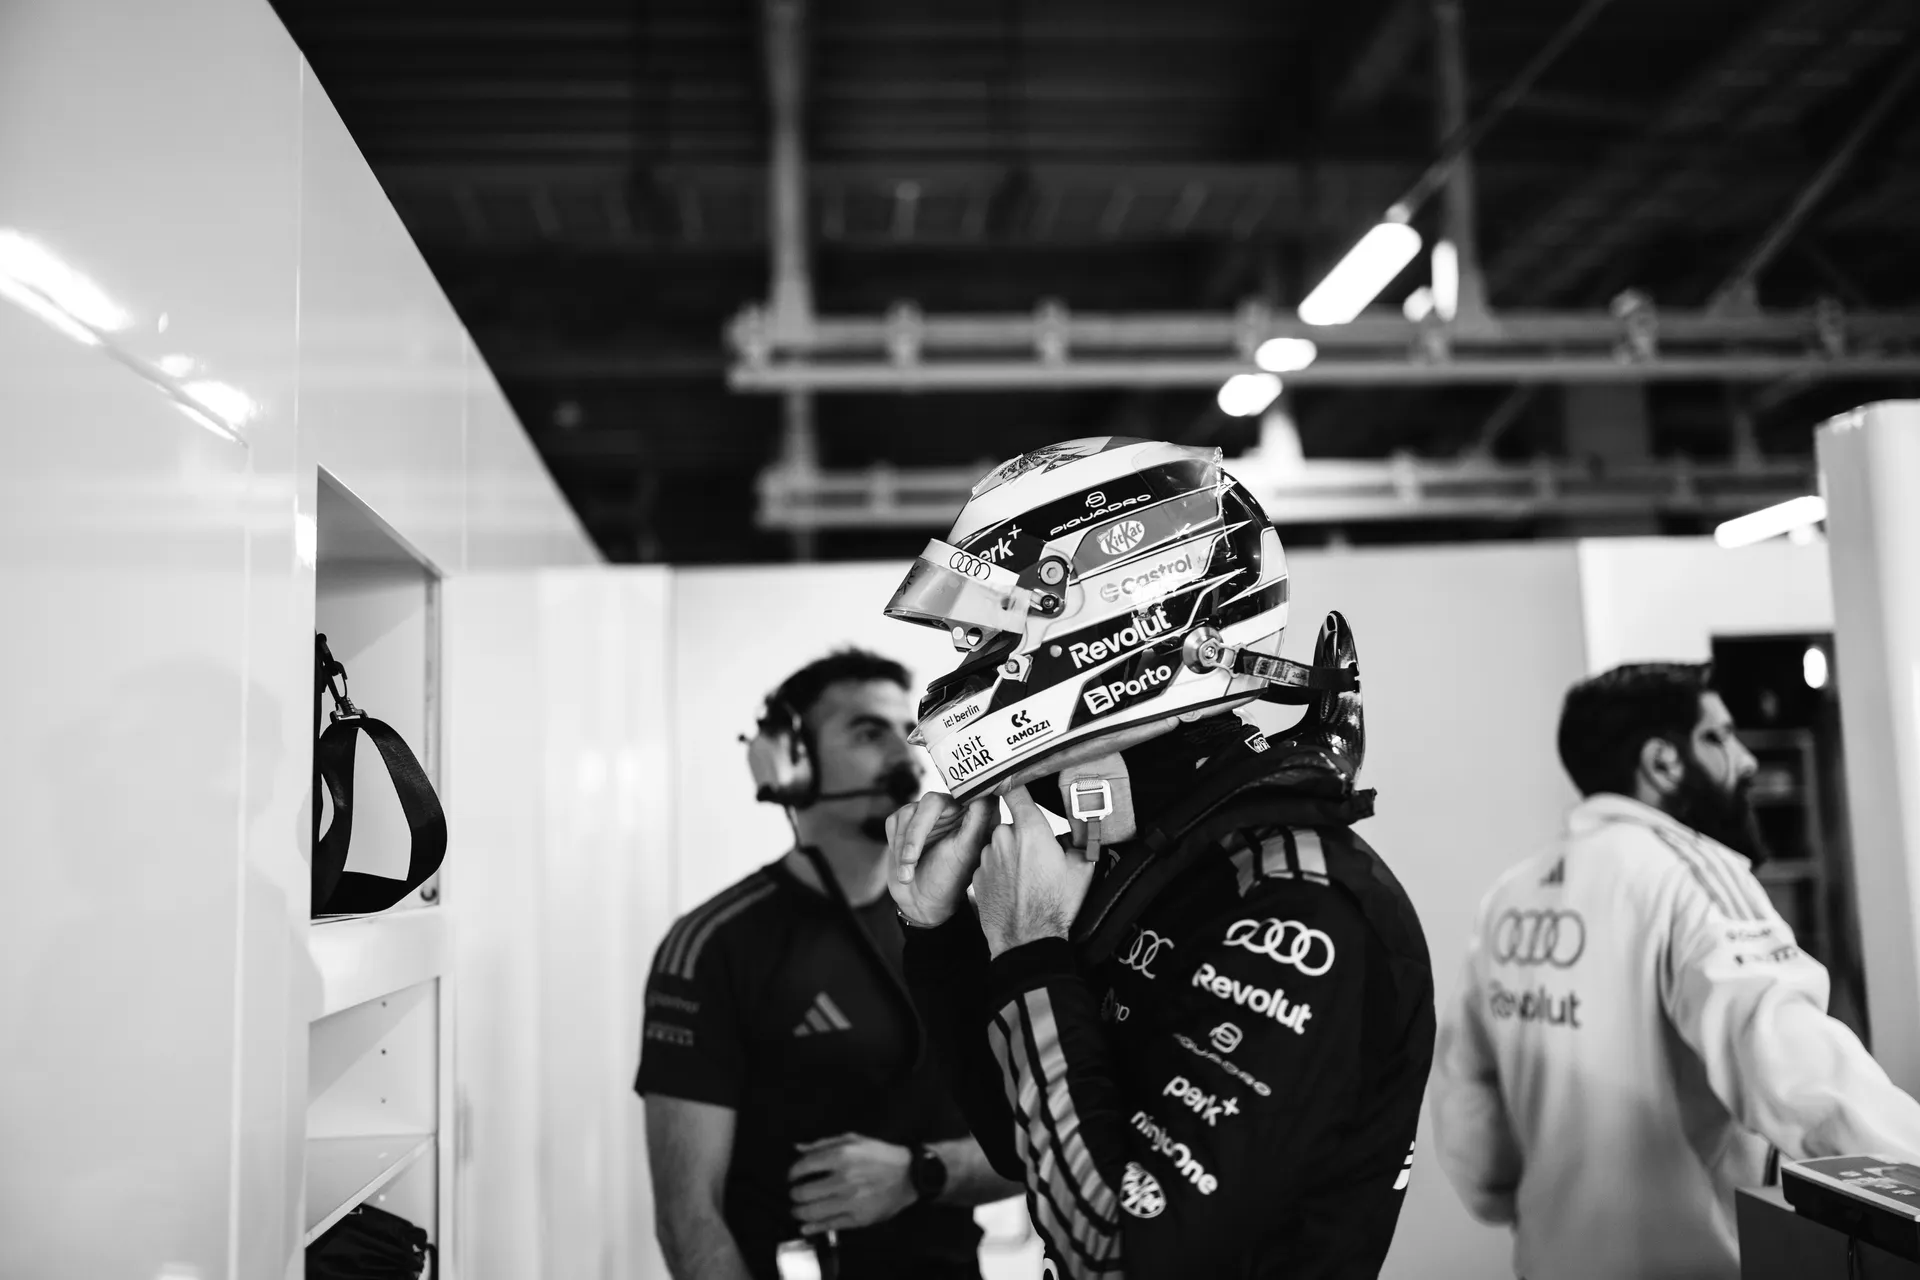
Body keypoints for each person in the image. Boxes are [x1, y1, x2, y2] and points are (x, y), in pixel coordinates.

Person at [878, 437, 1436, 1278]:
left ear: (1115, 619)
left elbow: (1114, 1254)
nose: (970, 664)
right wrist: (942, 937)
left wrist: (1032, 952)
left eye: (990, 635)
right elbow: (1025, 1148)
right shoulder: (1152, 855)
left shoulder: (1295, 901)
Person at [1431, 661, 1920, 1280]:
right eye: (1719, 737)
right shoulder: (1689, 874)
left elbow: (1467, 1112)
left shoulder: (1511, 894)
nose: (1745, 760)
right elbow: (1797, 1066)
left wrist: (1537, 1210)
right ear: (1662, 762)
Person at [636, 649, 1019, 1280]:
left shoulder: (966, 928)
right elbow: (688, 1222)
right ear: (791, 761)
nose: (905, 755)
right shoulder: (713, 945)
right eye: (868, 733)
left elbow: (1040, 1148)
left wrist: (920, 1173)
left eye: (907, 732)